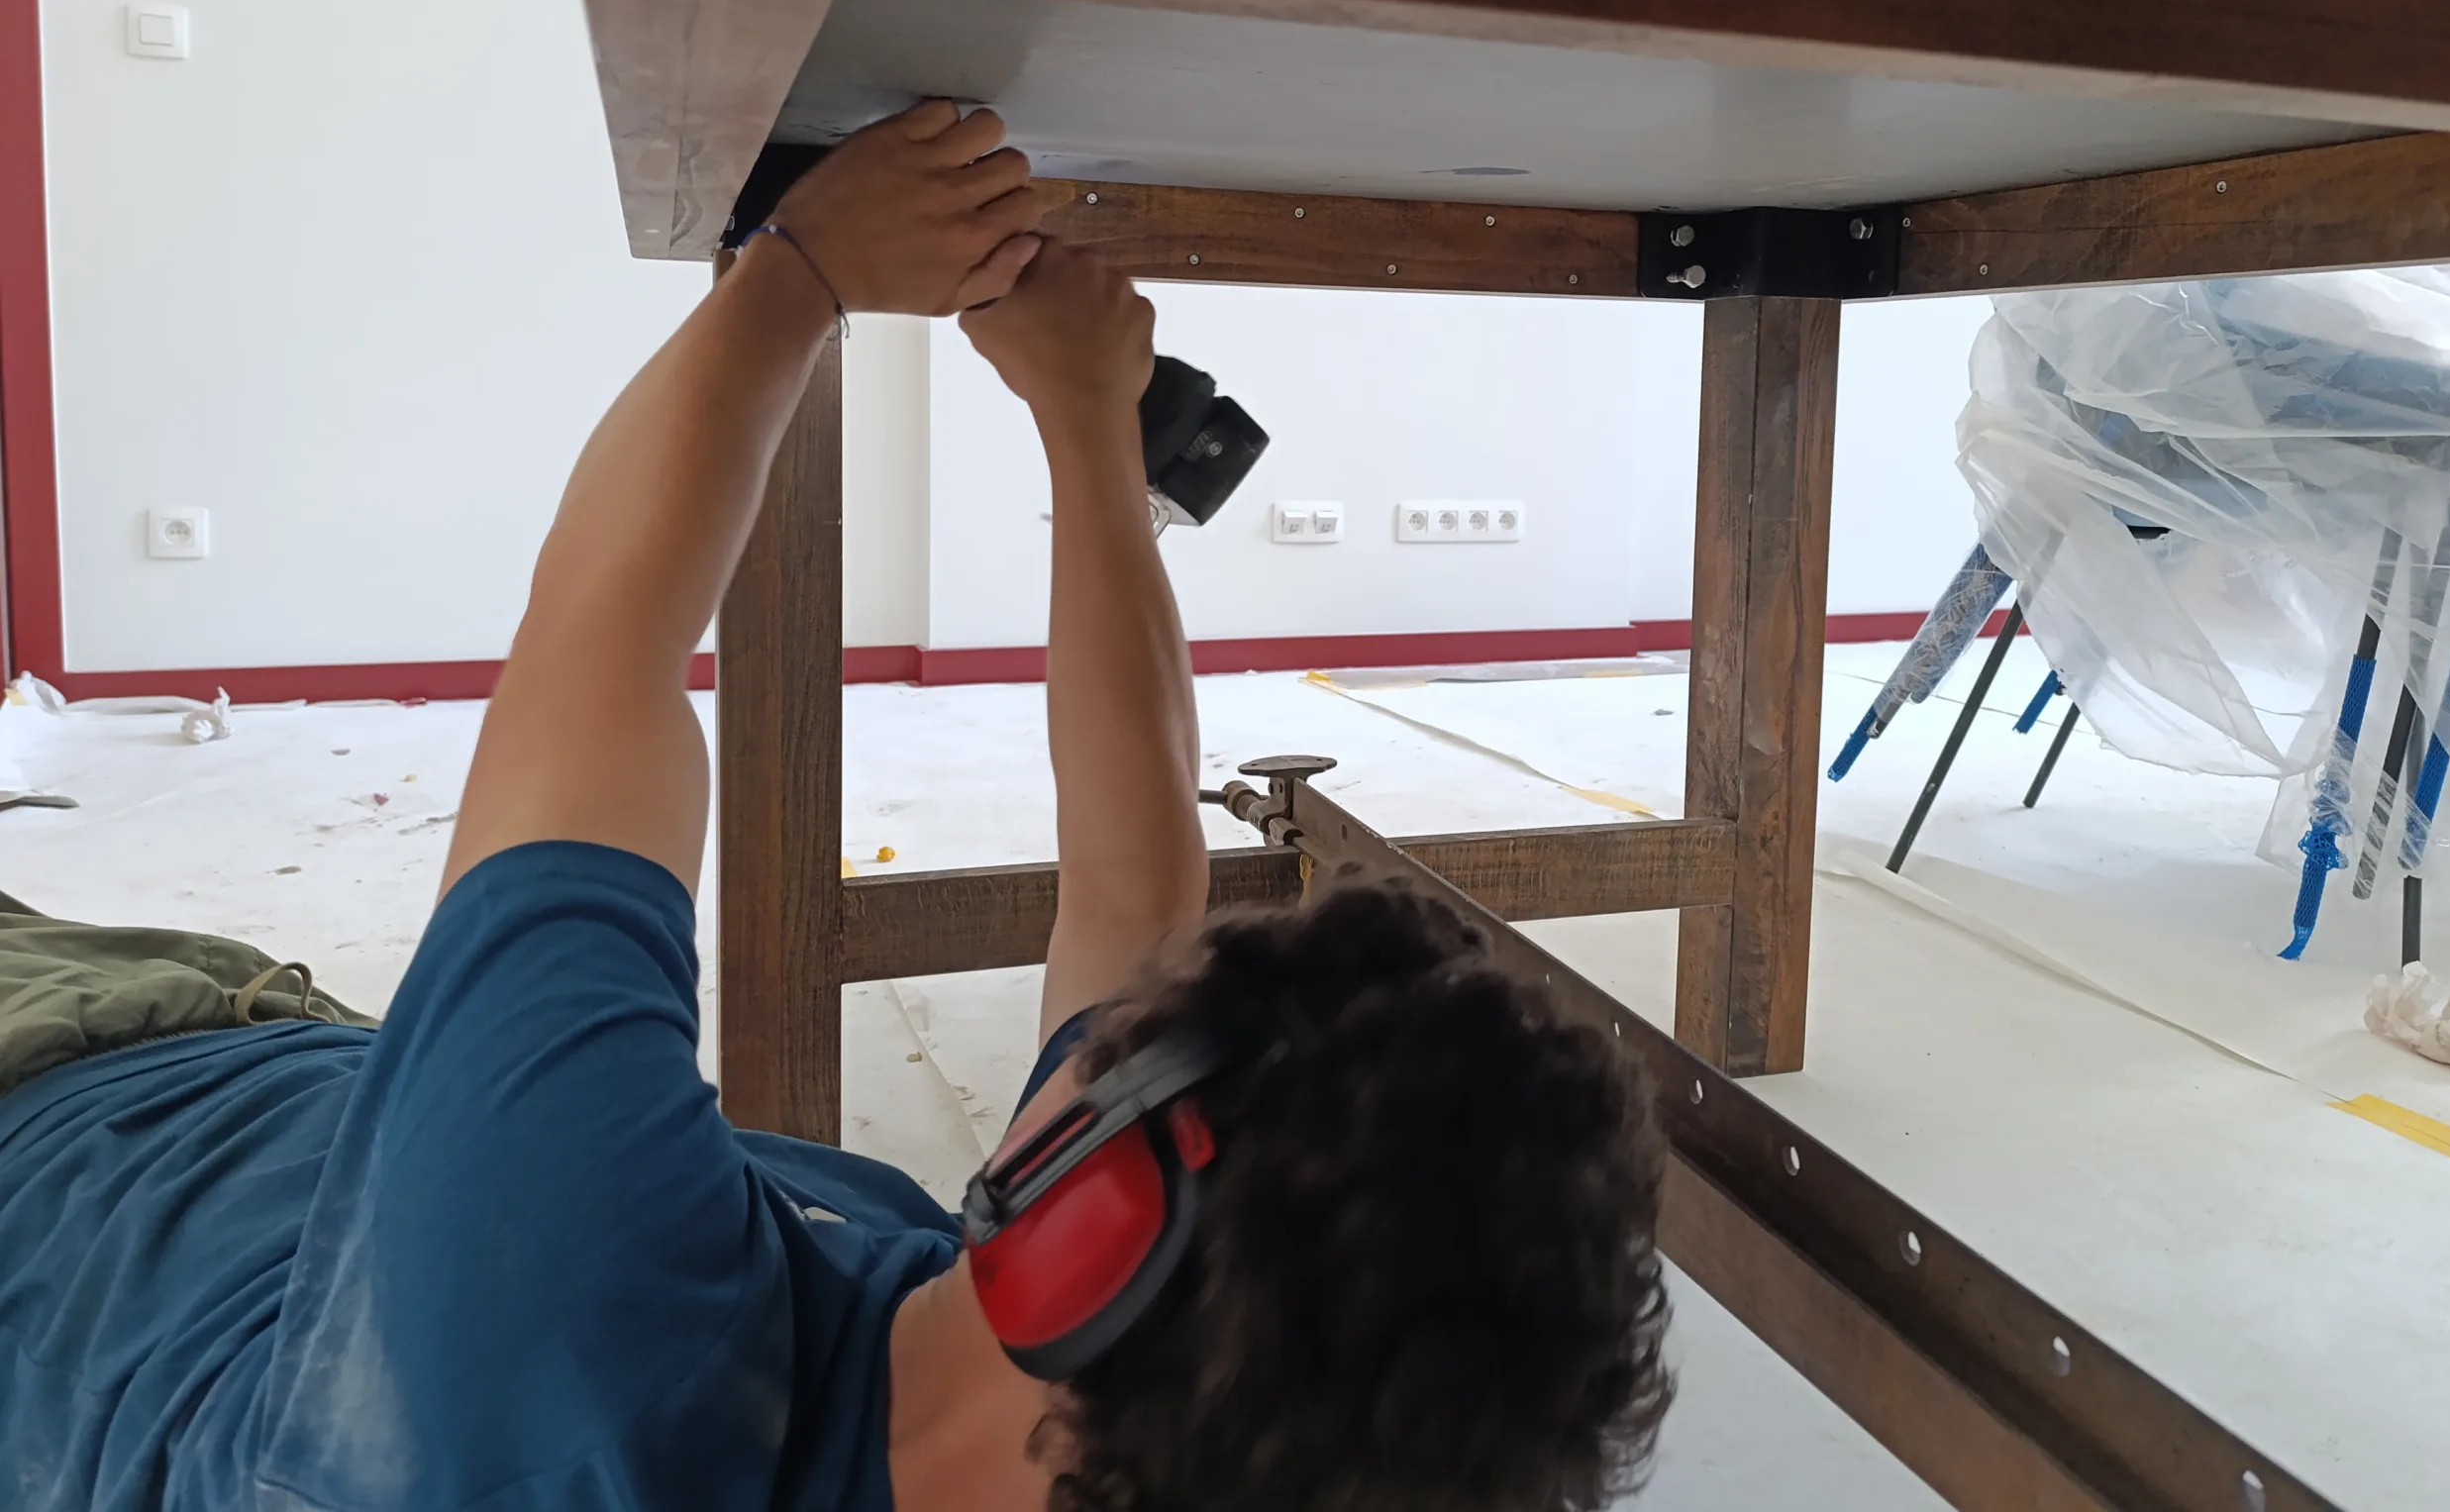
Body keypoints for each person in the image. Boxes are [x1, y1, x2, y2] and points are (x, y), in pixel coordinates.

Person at [0, 101, 1673, 1511]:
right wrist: (1088, 432)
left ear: (1086, 1239)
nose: (1135, 1008)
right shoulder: (1090, 1406)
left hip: (83, 1078)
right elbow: (1134, 884)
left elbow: (600, 653)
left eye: (1154, 1049)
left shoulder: (556, 1327)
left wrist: (800, 274)